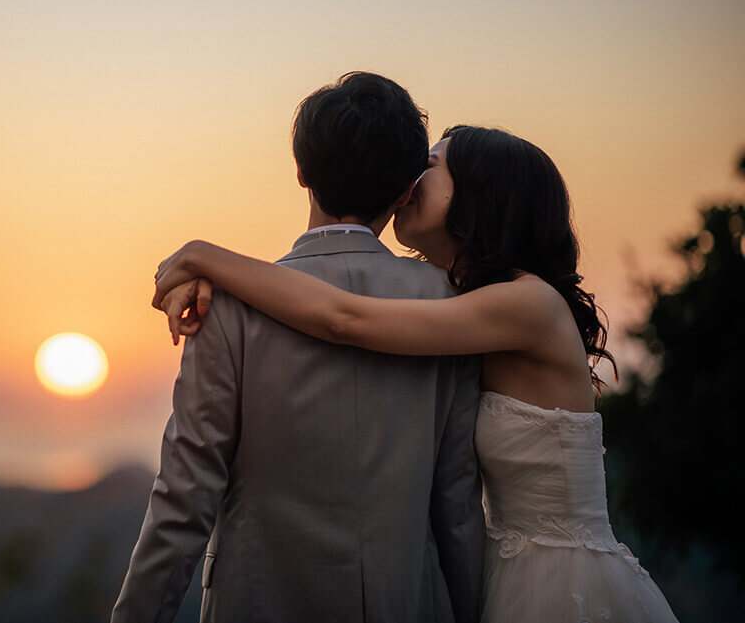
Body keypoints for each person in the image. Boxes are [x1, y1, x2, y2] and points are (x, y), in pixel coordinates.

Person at [153, 125, 681, 622]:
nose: (410, 177)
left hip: (561, 583)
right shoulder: (466, 302)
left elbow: (344, 317)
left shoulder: (529, 306)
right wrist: (213, 287)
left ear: (479, 194)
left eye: (428, 165)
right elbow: (335, 304)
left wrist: (203, 258)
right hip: (505, 574)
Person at [111, 72, 485, 623]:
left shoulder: (228, 307)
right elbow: (457, 505)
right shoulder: (451, 307)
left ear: (300, 171)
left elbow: (184, 497)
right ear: (406, 191)